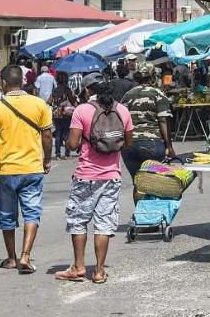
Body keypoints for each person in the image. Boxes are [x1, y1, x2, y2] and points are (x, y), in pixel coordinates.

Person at [54, 73, 133, 284]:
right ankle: (99, 271)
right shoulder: (122, 110)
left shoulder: (82, 110)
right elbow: (128, 143)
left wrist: (82, 141)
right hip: (112, 176)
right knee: (104, 224)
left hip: (86, 176)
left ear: (88, 90)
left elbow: (72, 144)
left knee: (78, 221)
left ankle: (79, 267)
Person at [0, 65, 53, 274]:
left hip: (7, 170)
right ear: (22, 81)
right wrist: (47, 160)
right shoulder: (39, 104)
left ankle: (12, 258)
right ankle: (25, 256)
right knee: (32, 213)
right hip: (32, 168)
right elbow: (47, 136)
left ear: (3, 83)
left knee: (7, 215)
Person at [120, 63, 174, 202]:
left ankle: (140, 213)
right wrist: (169, 146)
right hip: (152, 144)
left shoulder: (127, 95)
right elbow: (163, 120)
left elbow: (121, 119)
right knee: (154, 183)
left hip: (129, 145)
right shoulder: (158, 94)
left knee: (138, 184)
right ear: (152, 76)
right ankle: (153, 213)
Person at [48, 71, 78, 160]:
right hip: (67, 114)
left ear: (57, 79)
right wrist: (74, 97)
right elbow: (73, 102)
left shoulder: (55, 90)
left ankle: (57, 154)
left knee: (58, 133)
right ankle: (67, 154)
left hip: (57, 114)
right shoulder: (68, 90)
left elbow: (49, 102)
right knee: (67, 133)